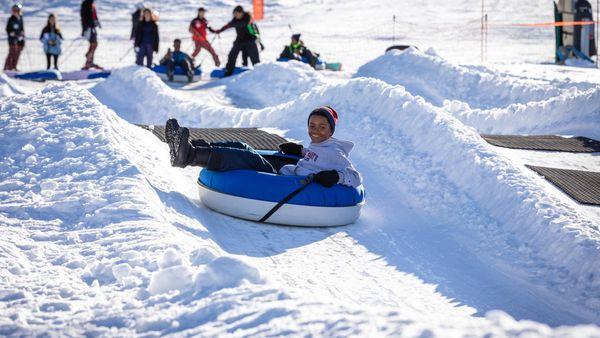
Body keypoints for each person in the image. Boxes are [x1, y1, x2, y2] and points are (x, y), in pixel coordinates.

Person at [165, 106, 362, 188]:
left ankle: (189, 156)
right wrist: (300, 151)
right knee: (241, 146)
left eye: (322, 127)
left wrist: (337, 177)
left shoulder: (335, 152)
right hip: (288, 171)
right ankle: (195, 147)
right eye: (312, 125)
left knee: (247, 158)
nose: (315, 131)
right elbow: (316, 156)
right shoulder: (321, 146)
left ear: (331, 130)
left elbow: (355, 177)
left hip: (287, 182)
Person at [213, 5, 260, 77]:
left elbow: (247, 26)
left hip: (250, 40)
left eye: (236, 14)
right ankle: (228, 72)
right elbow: (228, 25)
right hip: (240, 40)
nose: (235, 16)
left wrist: (259, 40)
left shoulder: (248, 18)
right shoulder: (235, 20)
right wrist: (219, 31)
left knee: (255, 59)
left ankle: (259, 74)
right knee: (232, 55)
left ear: (241, 13)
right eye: (234, 14)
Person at [80, 0, 101, 70]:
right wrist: (85, 28)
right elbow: (83, 17)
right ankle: (88, 61)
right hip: (89, 28)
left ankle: (90, 60)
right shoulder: (86, 3)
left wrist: (97, 22)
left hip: (93, 27)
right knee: (93, 43)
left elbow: (94, 16)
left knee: (94, 44)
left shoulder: (91, 3)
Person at [4, 3, 25, 71]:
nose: (16, 12)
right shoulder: (11, 19)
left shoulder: (20, 18)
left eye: (17, 10)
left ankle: (14, 66)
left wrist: (22, 34)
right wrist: (10, 33)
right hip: (12, 39)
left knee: (17, 52)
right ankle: (7, 67)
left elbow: (22, 28)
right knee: (12, 52)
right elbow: (8, 29)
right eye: (15, 10)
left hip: (19, 38)